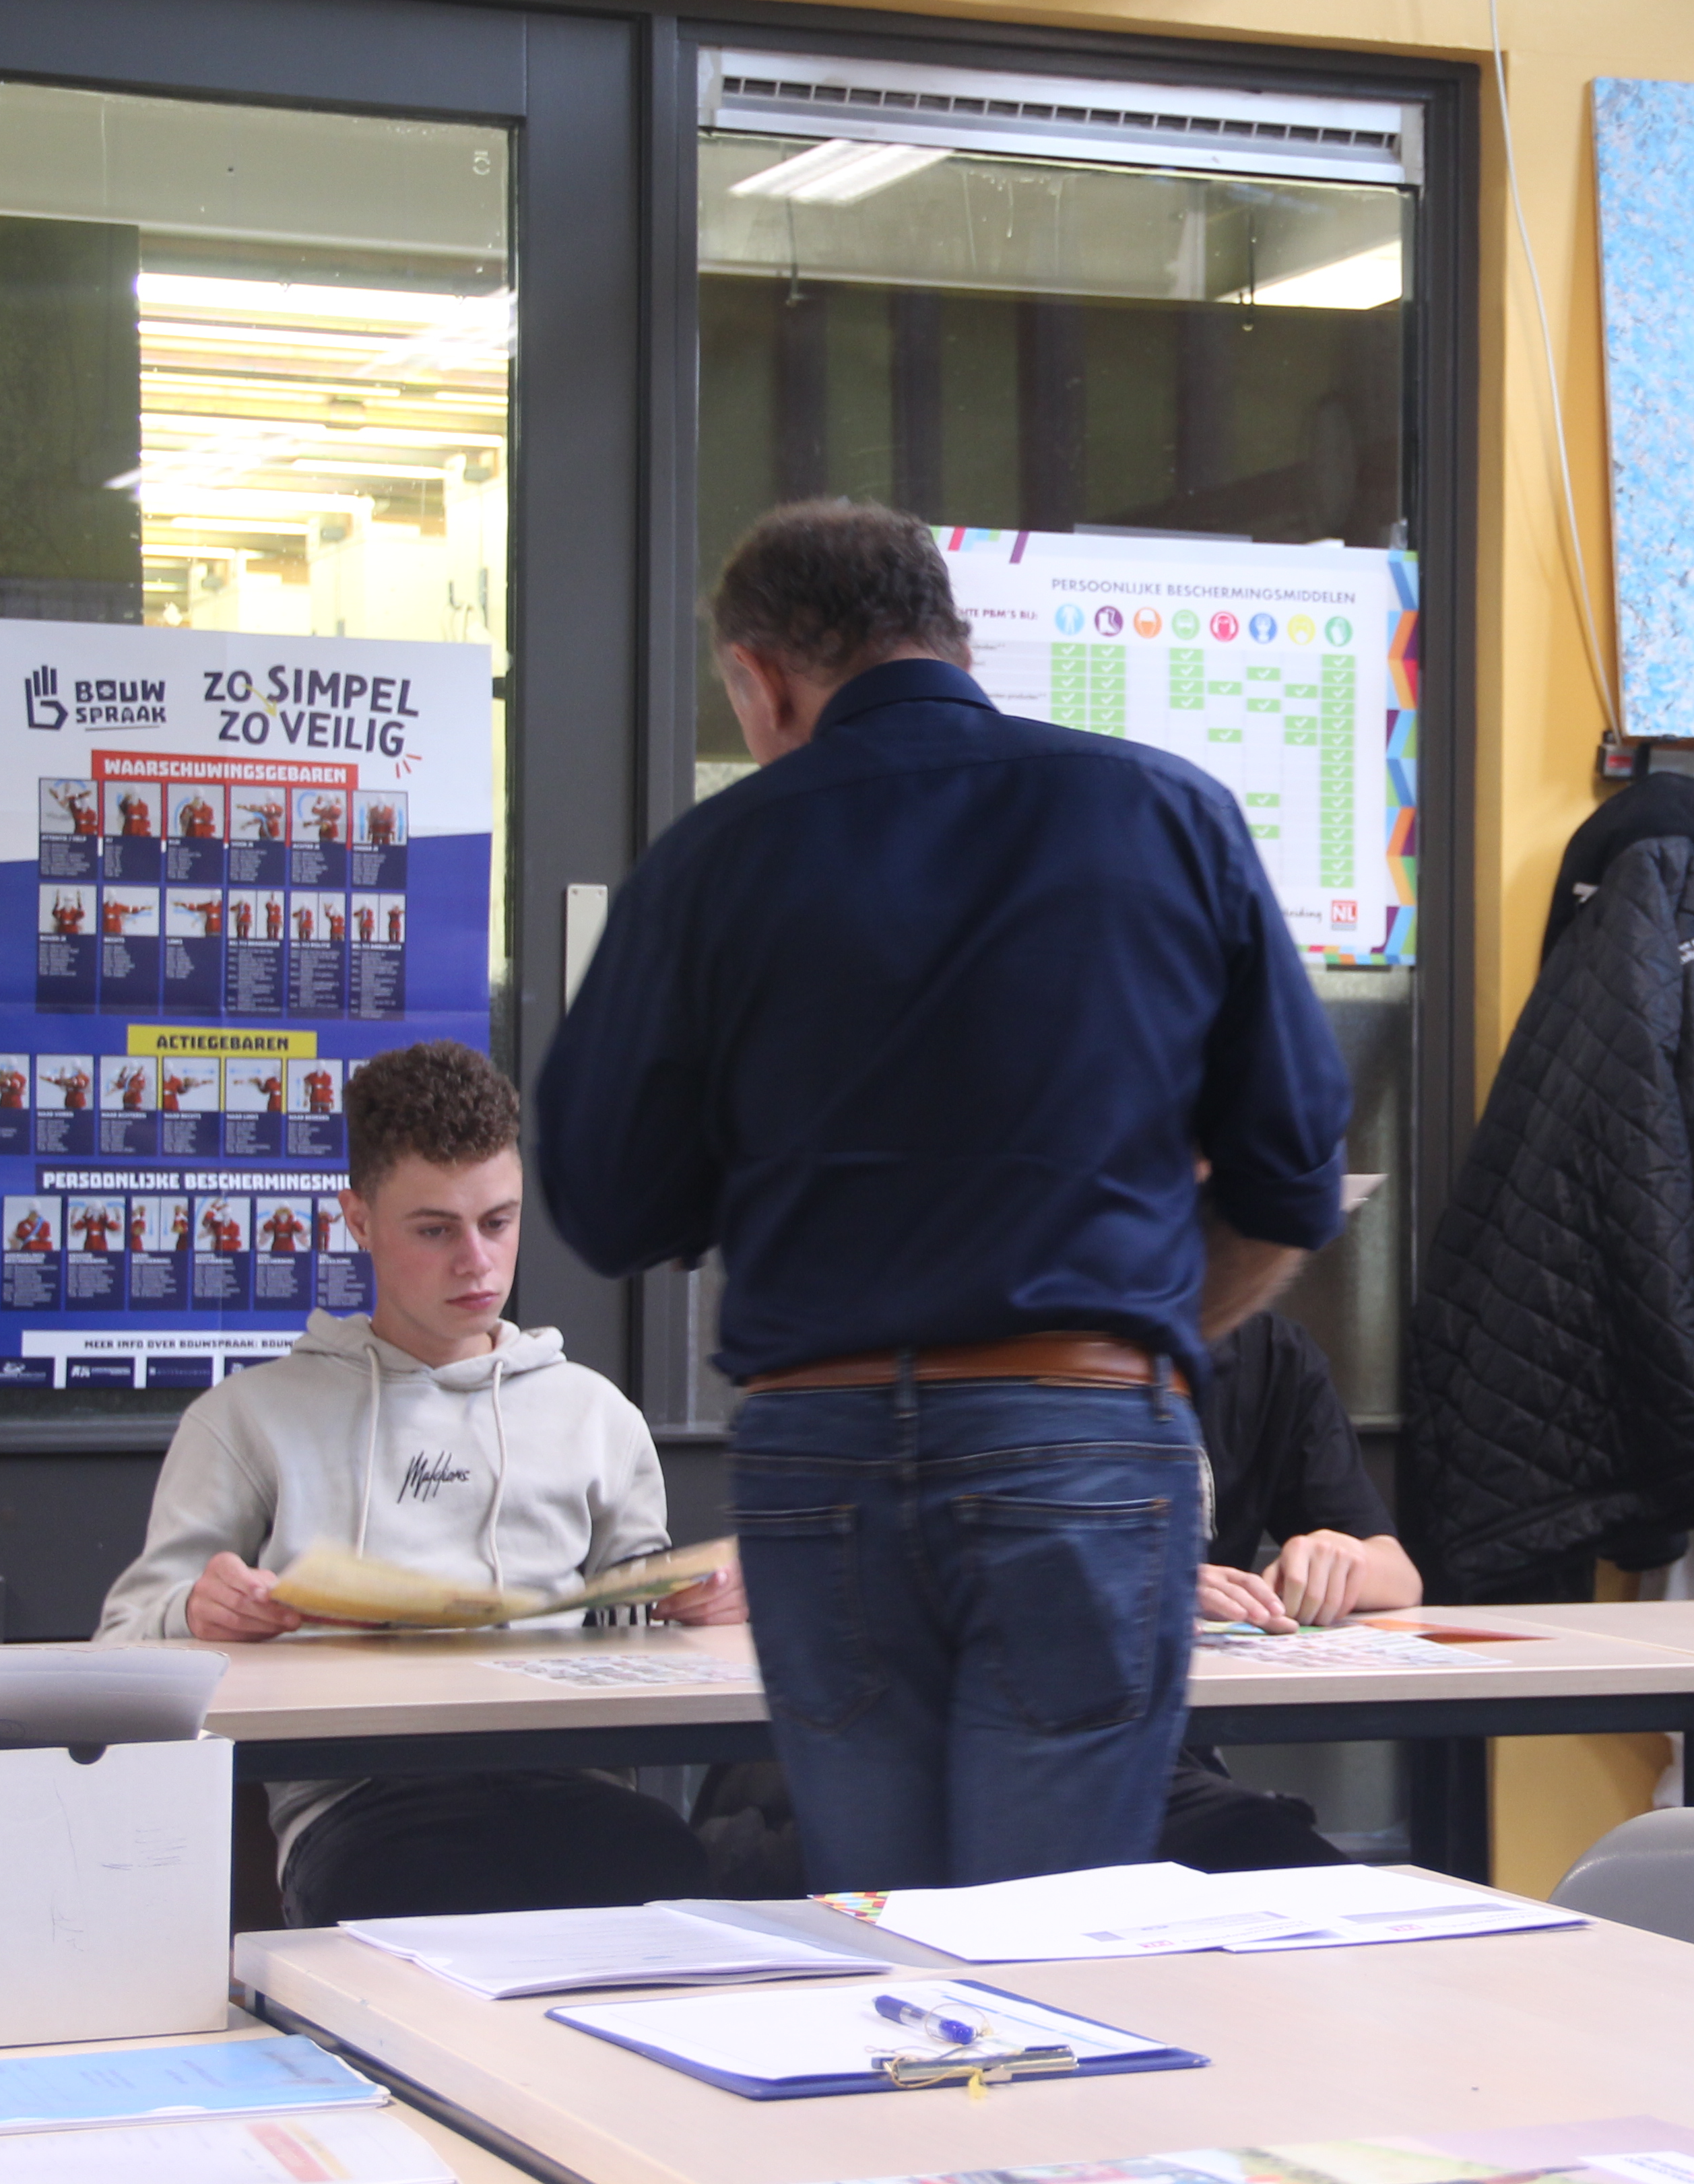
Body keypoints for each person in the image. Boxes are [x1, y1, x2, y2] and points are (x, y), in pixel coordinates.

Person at [537, 498, 1348, 1894]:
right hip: (1082, 1433)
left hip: (819, 1451)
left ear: (759, 680)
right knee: (1056, 1932)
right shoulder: (1168, 815)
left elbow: (608, 1205)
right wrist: (1118, 1348)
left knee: (887, 1923)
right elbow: (1292, 1179)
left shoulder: (709, 864)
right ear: (955, 638)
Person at [96, 1040, 742, 1925]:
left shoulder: (599, 1417)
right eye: (435, 1230)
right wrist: (196, 1612)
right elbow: (120, 1642)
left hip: (568, 1778)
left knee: (667, 1877)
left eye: (499, 1222)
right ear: (359, 1221)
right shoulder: (247, 1419)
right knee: (431, 1895)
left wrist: (686, 1602)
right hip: (365, 1803)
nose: (476, 1263)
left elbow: (631, 1617)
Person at [1166, 1309, 1421, 1871]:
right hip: (1063, 1744)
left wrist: (1341, 1557)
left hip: (1175, 1746)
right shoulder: (1037, 1340)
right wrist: (1148, 1582)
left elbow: (1399, 1575)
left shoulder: (1266, 1348)